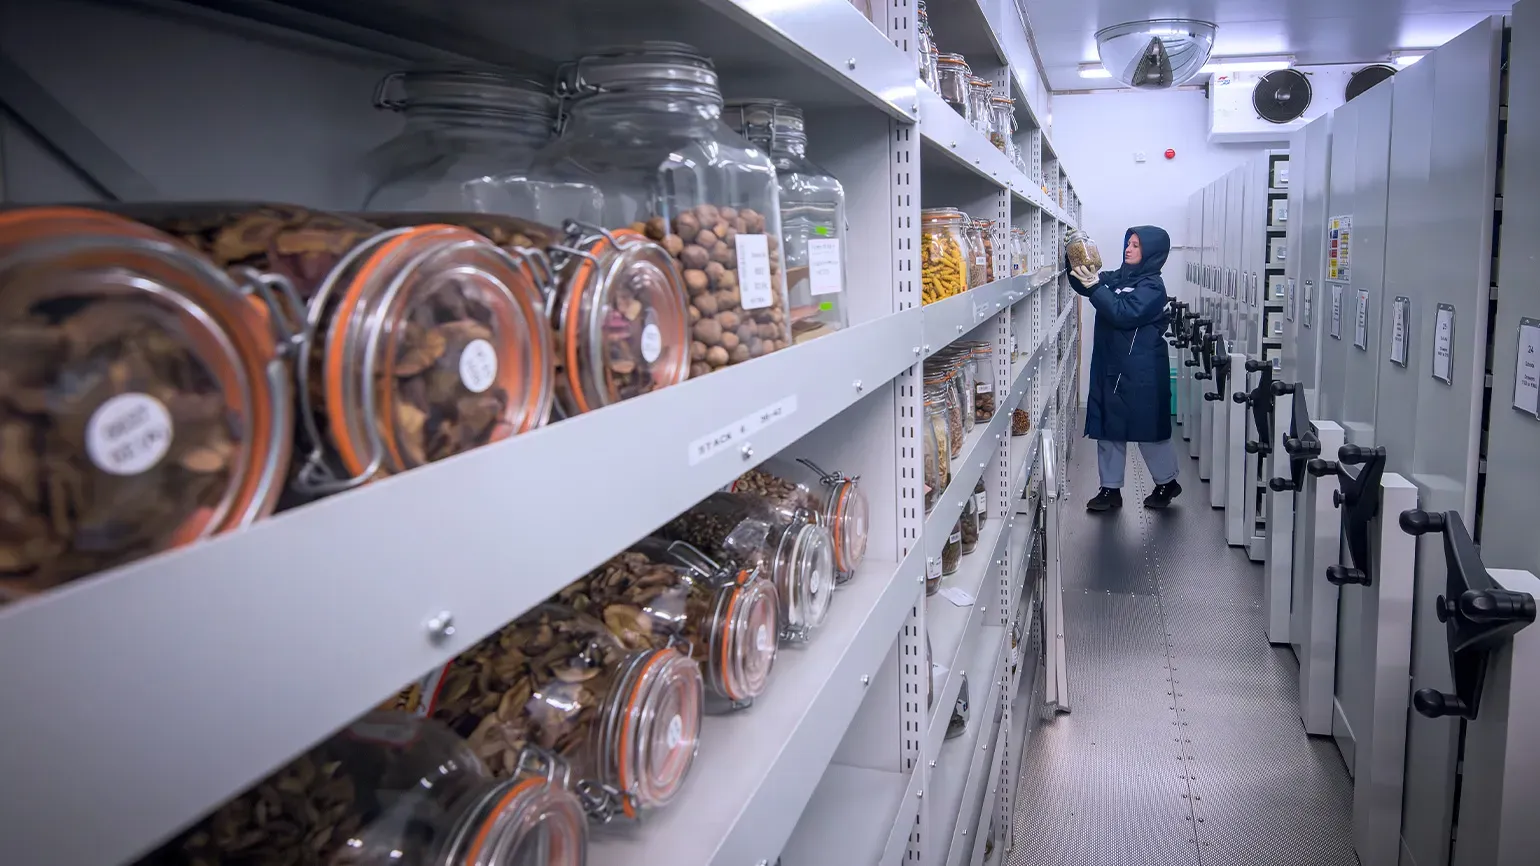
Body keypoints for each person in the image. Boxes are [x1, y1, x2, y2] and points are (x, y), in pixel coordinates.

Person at [1067, 226, 1181, 511]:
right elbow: (1086, 283)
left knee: (1148, 431)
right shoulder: (1119, 276)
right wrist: (1071, 256)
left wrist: (1095, 287)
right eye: (1128, 243)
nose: (1128, 249)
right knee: (1109, 428)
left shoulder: (1152, 287)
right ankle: (1110, 490)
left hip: (1141, 372)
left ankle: (1167, 482)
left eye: (1136, 245)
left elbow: (1123, 313)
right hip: (1113, 366)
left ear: (1151, 252)